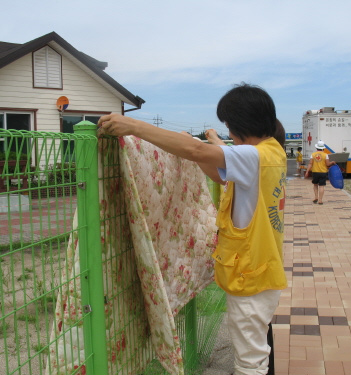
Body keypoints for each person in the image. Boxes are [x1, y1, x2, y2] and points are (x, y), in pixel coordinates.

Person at [98, 83, 287, 375]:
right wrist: (195, 150)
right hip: (262, 270)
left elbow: (197, 150)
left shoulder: (253, 156)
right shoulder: (271, 153)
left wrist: (133, 125)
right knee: (258, 346)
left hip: (251, 276)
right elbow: (219, 172)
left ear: (237, 124)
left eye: (228, 125)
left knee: (250, 362)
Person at [304, 140, 336, 204]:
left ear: (316, 147)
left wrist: (307, 172)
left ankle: (316, 197)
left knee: (315, 185)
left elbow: (310, 164)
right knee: (321, 186)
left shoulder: (313, 154)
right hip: (323, 172)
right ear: (323, 148)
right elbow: (327, 164)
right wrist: (332, 162)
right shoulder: (325, 155)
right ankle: (320, 200)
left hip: (315, 172)